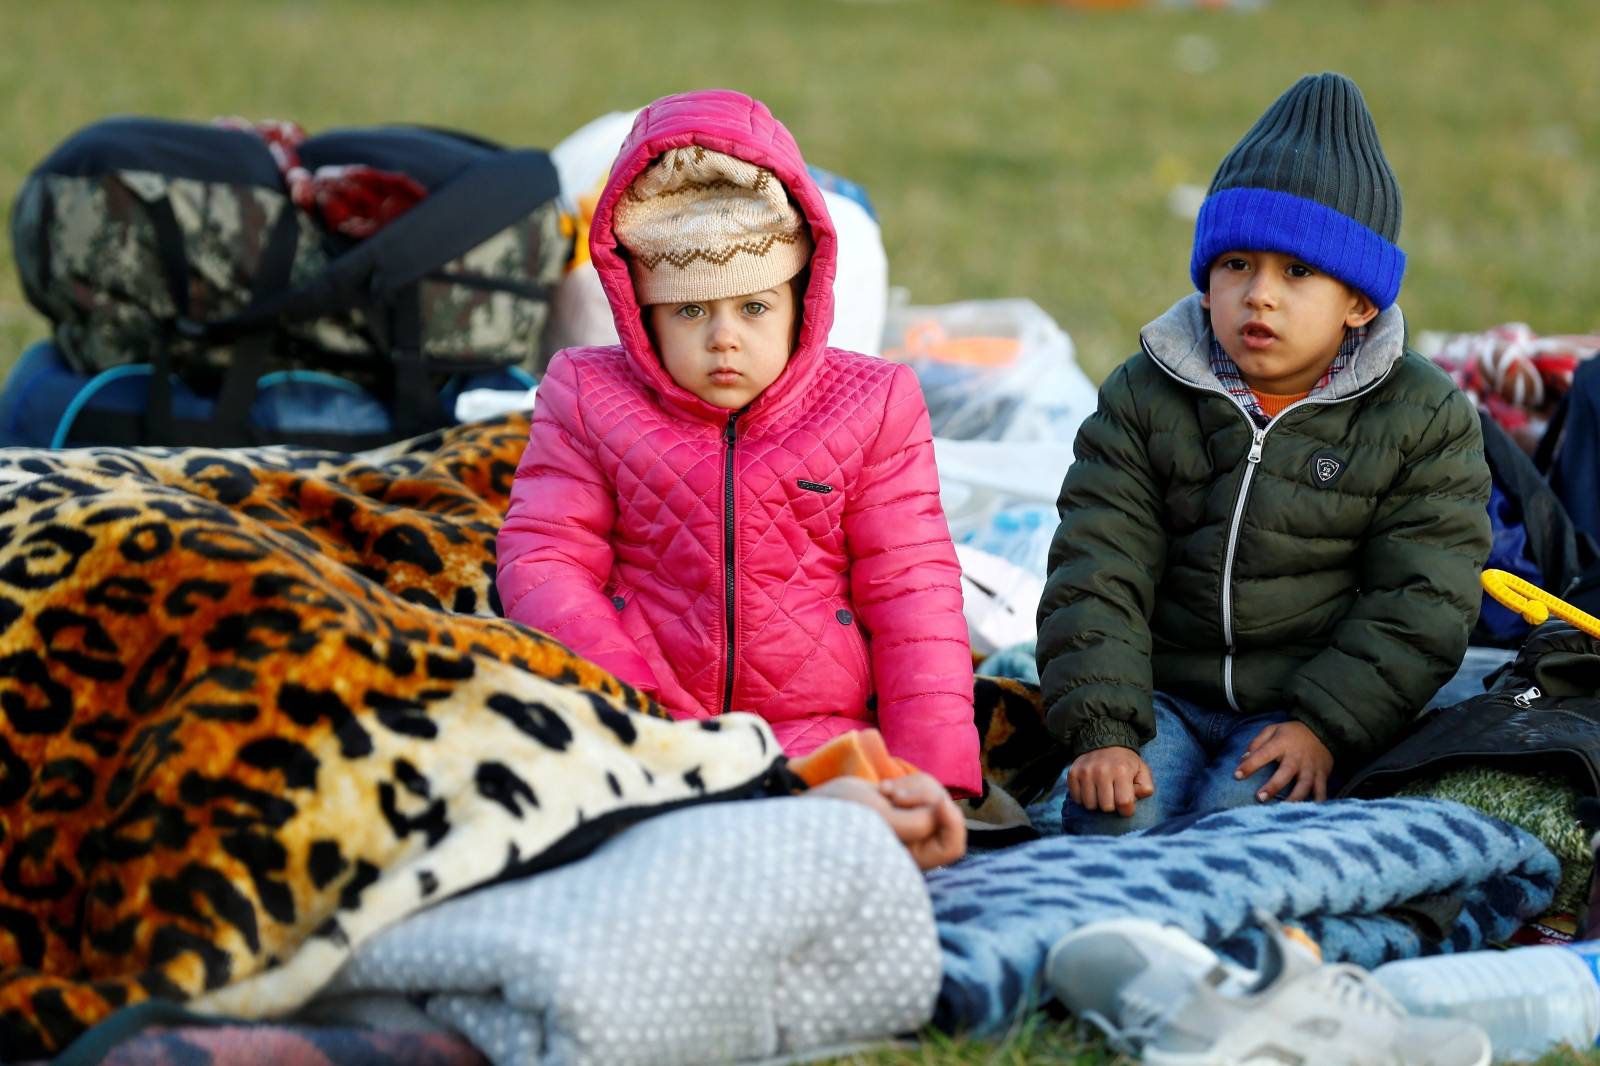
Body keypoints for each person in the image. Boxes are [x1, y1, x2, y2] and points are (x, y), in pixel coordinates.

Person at [497, 89, 982, 830]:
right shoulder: (587, 395)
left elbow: (913, 592)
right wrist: (633, 706)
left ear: (803, 296)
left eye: (754, 308)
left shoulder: (872, 403)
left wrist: (932, 775)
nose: (724, 337)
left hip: (820, 733)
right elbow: (544, 560)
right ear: (641, 309)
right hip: (646, 730)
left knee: (864, 833)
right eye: (691, 310)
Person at [1036, 72, 1492, 834]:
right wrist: (1104, 730)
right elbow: (1095, 565)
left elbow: (1422, 601)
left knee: (1242, 828)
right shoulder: (1146, 393)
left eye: (1299, 271)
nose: (1260, 295)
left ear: (1360, 302)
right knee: (1107, 821)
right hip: (1157, 693)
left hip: (1302, 705)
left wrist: (1329, 725)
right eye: (1236, 264)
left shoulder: (1424, 417)